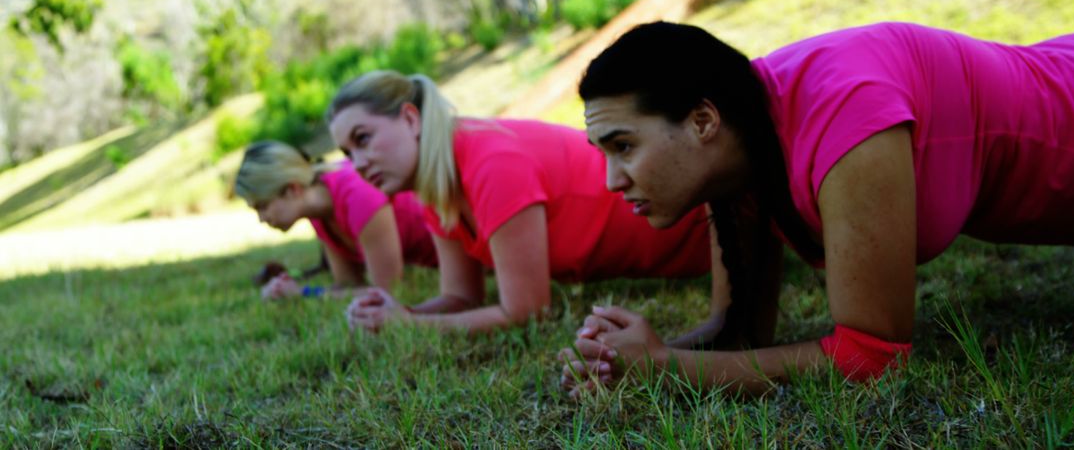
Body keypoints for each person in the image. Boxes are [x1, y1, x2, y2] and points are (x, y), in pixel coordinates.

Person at [560, 21, 1074, 395]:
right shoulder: (739, 146)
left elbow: (872, 358)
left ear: (702, 122)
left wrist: (663, 367)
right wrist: (624, 358)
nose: (611, 180)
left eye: (623, 146)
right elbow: (739, 334)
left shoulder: (847, 117)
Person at [327, 71, 719, 336]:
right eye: (347, 151)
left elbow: (527, 311)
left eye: (363, 139)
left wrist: (409, 326)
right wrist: (401, 312)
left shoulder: (490, 161)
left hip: (704, 238)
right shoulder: (437, 188)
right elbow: (463, 297)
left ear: (411, 120)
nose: (356, 164)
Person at [234, 140, 437, 299]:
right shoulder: (318, 213)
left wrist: (303, 293)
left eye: (262, 206)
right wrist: (289, 289)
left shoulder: (357, 194)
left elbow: (388, 291)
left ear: (292, 190)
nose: (261, 219)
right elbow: (348, 284)